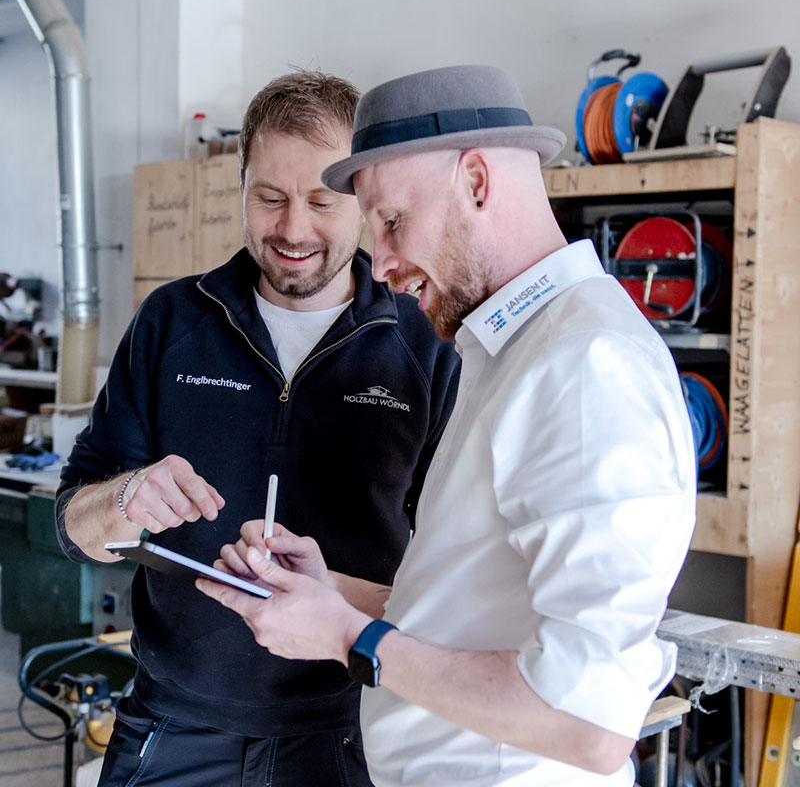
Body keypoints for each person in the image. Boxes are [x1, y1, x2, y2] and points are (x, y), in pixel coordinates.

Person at [198, 65, 697, 787]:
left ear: (477, 182)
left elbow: (591, 723)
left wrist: (349, 637)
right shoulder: (511, 349)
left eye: (394, 223)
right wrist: (332, 591)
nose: (385, 265)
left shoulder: (587, 364)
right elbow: (477, 610)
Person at [55, 69, 460, 786]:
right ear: (239, 189)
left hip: (350, 735)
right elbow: (72, 527)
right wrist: (123, 501)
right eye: (269, 198)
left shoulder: (423, 343)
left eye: (321, 201)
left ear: (363, 197)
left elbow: (459, 579)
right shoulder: (170, 322)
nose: (293, 230)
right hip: (172, 728)